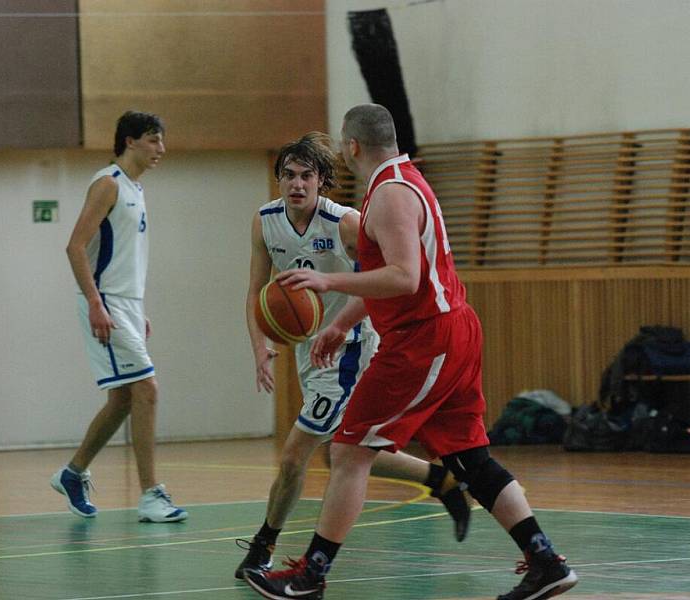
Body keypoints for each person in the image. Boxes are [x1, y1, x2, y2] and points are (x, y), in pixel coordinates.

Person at [244, 106, 578, 600]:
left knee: (349, 452)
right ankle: (545, 560)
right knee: (470, 459)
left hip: (424, 339)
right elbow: (395, 277)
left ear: (351, 146)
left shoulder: (388, 196)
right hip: (449, 331)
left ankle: (311, 575)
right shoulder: (406, 180)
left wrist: (327, 279)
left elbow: (405, 278)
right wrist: (340, 321)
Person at [236, 132, 471, 579]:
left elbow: (384, 281)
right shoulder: (264, 221)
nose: (296, 184)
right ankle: (440, 480)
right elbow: (255, 293)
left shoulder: (346, 223)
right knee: (344, 452)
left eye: (307, 175)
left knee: (294, 455)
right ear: (279, 180)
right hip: (311, 352)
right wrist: (259, 348)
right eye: (288, 175)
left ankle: (263, 546)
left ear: (323, 181)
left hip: (349, 349)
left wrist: (339, 324)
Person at [51, 110, 187, 523]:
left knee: (122, 400)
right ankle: (150, 495)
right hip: (105, 301)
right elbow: (75, 247)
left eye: (161, 140)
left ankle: (72, 474)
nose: (160, 148)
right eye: (153, 139)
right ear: (129, 141)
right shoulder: (108, 183)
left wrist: (137, 310)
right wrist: (96, 303)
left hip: (126, 303)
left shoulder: (136, 188)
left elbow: (126, 258)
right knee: (147, 390)